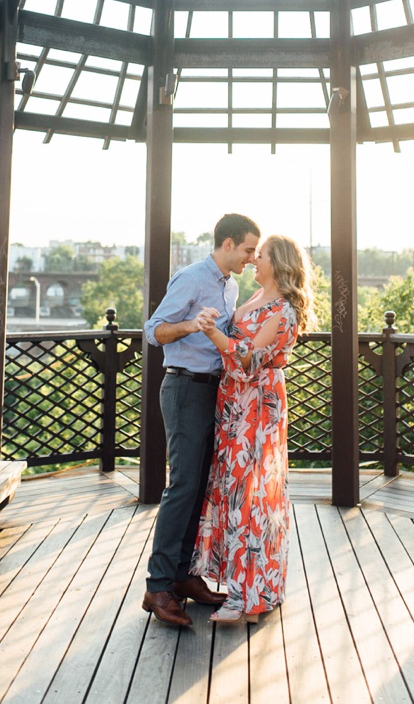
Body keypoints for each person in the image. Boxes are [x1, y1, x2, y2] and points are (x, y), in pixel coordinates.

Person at [139, 213, 259, 628]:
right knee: (183, 486)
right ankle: (158, 587)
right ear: (227, 244)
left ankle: (184, 577)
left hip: (214, 391)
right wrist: (192, 324)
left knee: (200, 486)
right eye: (247, 249)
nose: (251, 257)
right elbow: (152, 331)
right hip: (185, 388)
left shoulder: (232, 285)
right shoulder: (191, 278)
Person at [190, 234, 310, 624]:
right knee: (233, 488)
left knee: (252, 494)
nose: (254, 261)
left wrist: (211, 333)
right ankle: (251, 590)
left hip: (257, 404)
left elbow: (249, 360)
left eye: (261, 256)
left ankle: (248, 599)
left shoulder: (284, 310)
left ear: (279, 263)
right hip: (233, 404)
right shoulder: (253, 300)